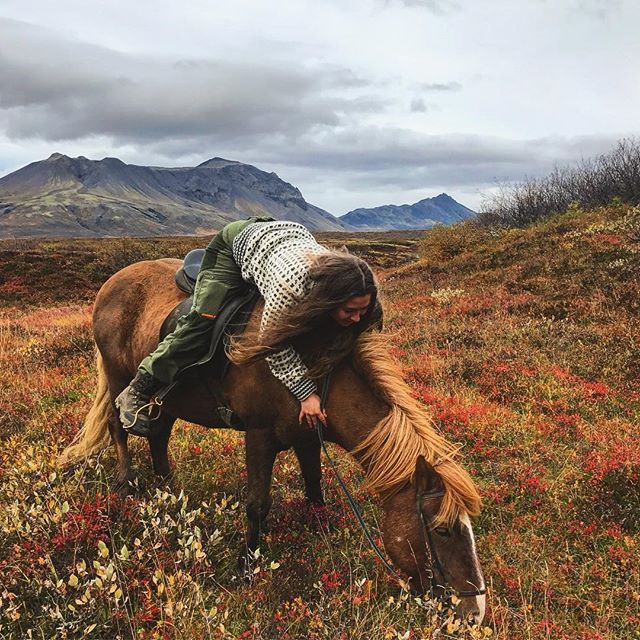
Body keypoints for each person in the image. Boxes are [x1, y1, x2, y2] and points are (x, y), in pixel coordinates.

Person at [115, 216, 379, 437]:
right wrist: (305, 393)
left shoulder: (362, 285)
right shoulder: (290, 288)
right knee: (201, 320)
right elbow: (273, 346)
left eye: (362, 310)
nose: (357, 317)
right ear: (329, 300)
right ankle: (140, 386)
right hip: (236, 244)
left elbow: (368, 323)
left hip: (288, 234)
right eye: (349, 311)